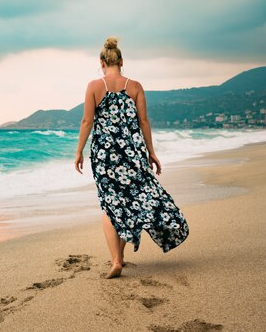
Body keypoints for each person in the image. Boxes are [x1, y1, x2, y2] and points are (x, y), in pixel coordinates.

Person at [74, 36, 189, 279]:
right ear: (122, 61)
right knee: (128, 202)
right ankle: (121, 257)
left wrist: (79, 152)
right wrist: (152, 153)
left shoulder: (95, 86)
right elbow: (144, 122)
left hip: (105, 156)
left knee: (110, 204)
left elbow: (87, 121)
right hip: (132, 154)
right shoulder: (135, 86)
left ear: (102, 62)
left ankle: (116, 260)